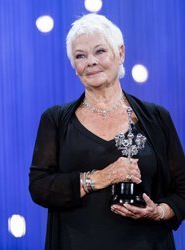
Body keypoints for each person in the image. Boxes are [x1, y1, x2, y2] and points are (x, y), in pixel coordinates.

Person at [29, 13, 185, 250]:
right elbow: (40, 187)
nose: (90, 61)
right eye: (80, 56)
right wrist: (101, 177)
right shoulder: (56, 120)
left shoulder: (156, 118)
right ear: (74, 66)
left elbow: (182, 189)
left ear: (120, 53)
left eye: (100, 51)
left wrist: (160, 212)